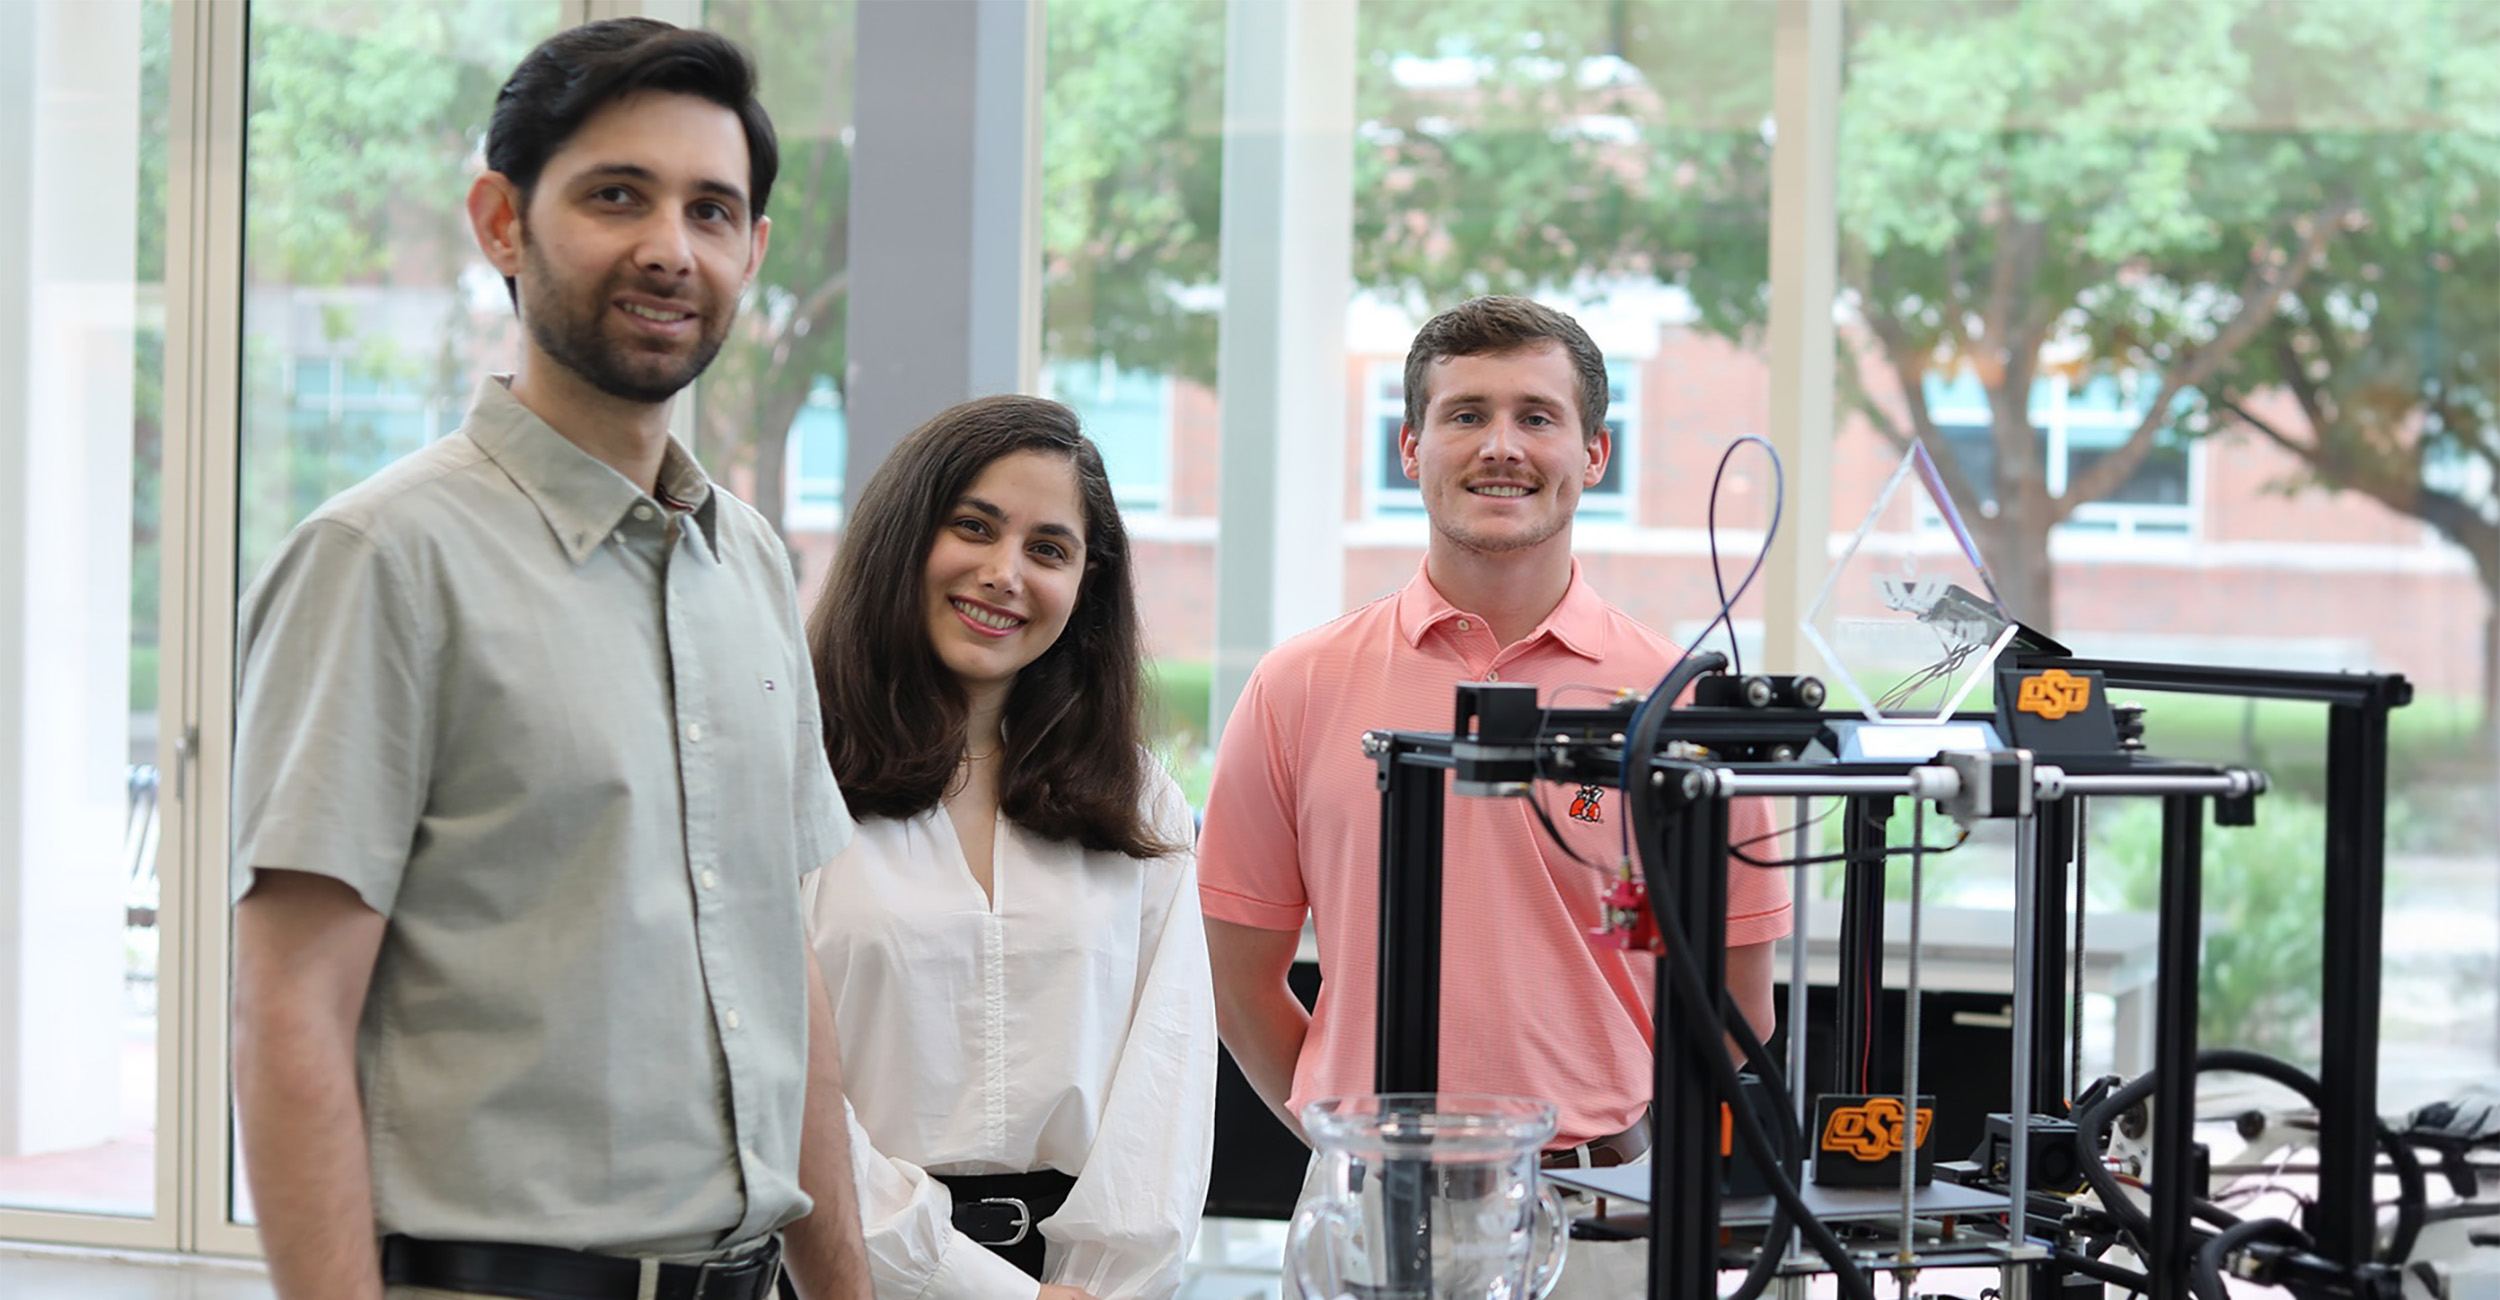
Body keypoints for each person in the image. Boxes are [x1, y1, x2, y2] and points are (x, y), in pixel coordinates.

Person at [229, 19, 869, 1300]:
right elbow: (290, 1010)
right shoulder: (381, 558)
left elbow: (776, 967)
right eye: (615, 195)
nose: (667, 248)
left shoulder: (745, 561)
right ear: (502, 224)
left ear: (750, 249)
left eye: (710, 209)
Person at [1196, 296, 1792, 1291]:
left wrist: (1645, 1159)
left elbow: (1738, 1009)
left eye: (1537, 416)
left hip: (1614, 1209)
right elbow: (1240, 983)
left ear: (1594, 453)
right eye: (1466, 414)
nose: (1500, 447)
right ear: (1410, 446)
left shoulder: (1681, 702)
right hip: (1369, 1213)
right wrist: (1352, 1143)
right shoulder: (1298, 686)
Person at [800, 396, 1214, 1300]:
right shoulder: (789, 776)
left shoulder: (1139, 798)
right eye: (974, 528)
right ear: (902, 539)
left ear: (1086, 584)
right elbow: (784, 1093)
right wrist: (977, 1290)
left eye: (1048, 550)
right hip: (843, 1276)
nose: (1004, 574)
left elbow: (1165, 1082)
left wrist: (1103, 1288)